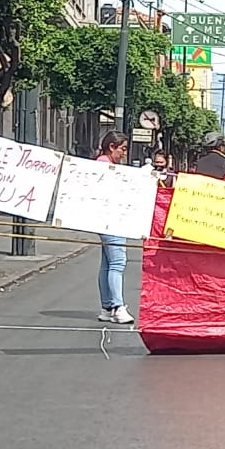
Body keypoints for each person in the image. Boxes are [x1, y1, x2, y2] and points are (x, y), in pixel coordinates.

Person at [94, 131, 135, 325]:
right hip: (111, 219)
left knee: (107, 263)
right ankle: (118, 307)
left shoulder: (100, 163)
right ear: (112, 147)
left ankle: (107, 307)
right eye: (123, 149)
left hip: (104, 219)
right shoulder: (105, 166)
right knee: (118, 262)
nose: (124, 154)